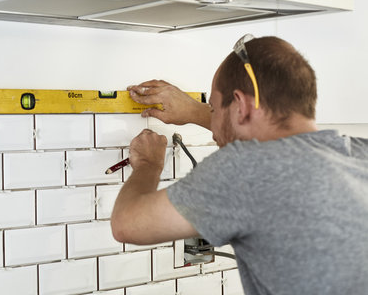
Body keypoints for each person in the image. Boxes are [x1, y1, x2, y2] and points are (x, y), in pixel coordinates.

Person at [110, 35, 368, 295]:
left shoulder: (248, 169)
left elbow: (127, 224)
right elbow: (276, 137)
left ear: (241, 105)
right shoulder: (359, 153)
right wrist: (195, 111)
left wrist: (147, 163)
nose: (212, 126)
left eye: (214, 108)